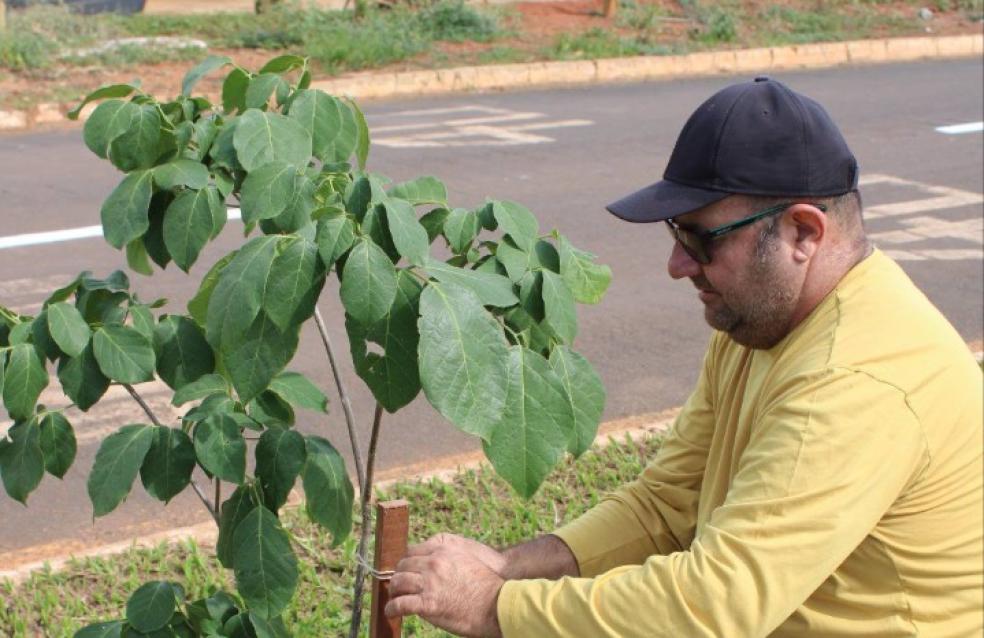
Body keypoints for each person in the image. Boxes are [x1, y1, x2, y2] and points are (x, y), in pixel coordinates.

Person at [384, 77, 984, 637]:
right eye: (677, 234)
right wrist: (508, 566)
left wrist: (494, 607)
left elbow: (716, 604)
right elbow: (668, 504)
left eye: (701, 239)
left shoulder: (855, 378)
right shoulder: (761, 322)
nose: (677, 265)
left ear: (803, 233)